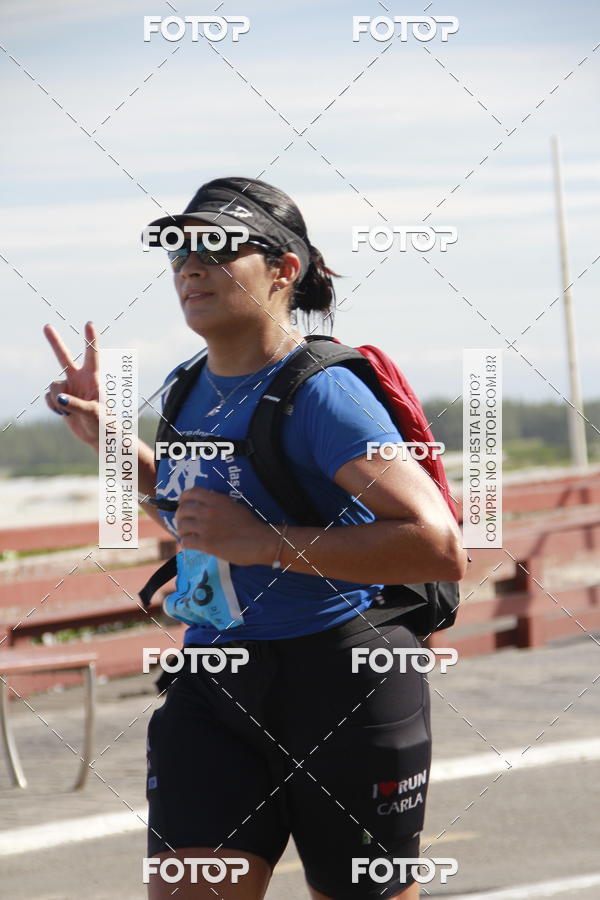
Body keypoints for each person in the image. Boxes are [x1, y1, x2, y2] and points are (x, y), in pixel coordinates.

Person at [44, 176, 467, 900]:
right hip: (215, 683)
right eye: (178, 250)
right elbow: (198, 515)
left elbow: (436, 546)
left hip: (342, 684)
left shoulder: (324, 393)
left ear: (283, 271)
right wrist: (111, 444)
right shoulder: (186, 387)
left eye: (215, 245)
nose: (190, 266)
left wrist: (266, 542)